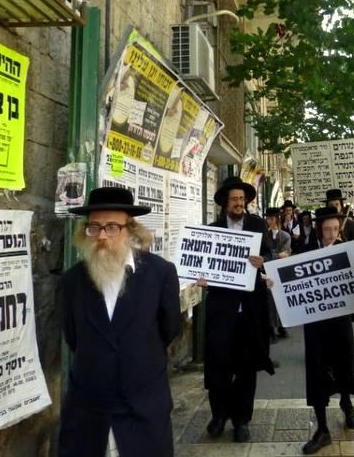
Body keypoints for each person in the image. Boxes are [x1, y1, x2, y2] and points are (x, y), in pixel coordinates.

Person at [60, 187, 182, 457]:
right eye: (94, 227)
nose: (102, 236)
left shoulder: (160, 273)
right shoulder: (72, 281)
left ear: (130, 230)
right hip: (89, 409)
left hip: (144, 405)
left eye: (112, 227)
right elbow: (74, 337)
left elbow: (168, 328)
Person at [203, 176, 275, 443]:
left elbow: (269, 255)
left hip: (250, 310)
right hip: (222, 310)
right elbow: (204, 266)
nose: (239, 203)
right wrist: (202, 277)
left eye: (242, 199)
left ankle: (242, 420)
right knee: (218, 365)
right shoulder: (212, 229)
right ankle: (219, 415)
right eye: (234, 199)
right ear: (224, 202)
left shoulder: (257, 225)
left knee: (246, 368)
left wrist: (263, 261)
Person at [297, 207, 354, 454]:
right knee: (316, 372)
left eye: (335, 229)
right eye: (327, 229)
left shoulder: (348, 251)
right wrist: (273, 282)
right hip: (315, 325)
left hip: (340, 322)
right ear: (318, 229)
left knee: (345, 364)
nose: (331, 234)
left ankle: (347, 403)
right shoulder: (305, 252)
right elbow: (290, 281)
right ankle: (322, 428)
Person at [265, 207, 291, 340]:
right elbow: (265, 255)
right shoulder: (265, 235)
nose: (267, 220)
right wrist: (276, 255)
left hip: (281, 271)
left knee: (281, 298)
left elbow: (286, 255)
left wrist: (272, 255)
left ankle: (282, 326)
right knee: (269, 298)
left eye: (269, 218)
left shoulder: (285, 236)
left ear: (275, 219)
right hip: (268, 270)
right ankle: (271, 328)